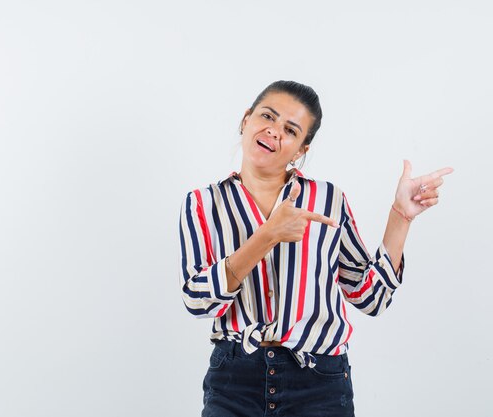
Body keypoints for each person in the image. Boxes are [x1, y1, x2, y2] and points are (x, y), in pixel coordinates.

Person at [178, 80, 453, 417]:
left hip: (318, 381)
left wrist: (400, 217)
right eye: (267, 116)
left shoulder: (327, 200)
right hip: (234, 379)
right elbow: (197, 299)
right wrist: (267, 235)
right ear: (246, 120)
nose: (274, 132)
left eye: (291, 130)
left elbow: (370, 297)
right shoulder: (203, 203)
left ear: (300, 151)